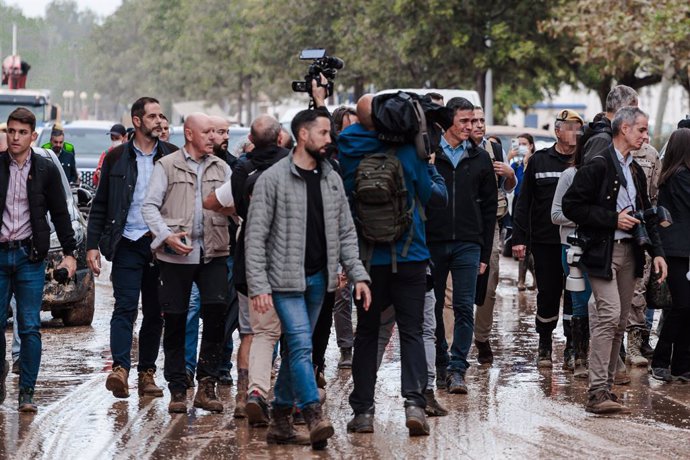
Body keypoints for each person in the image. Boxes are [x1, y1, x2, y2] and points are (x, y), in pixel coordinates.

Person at [246, 107, 371, 449]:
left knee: (297, 352)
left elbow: (346, 232)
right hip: (284, 282)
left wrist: (357, 274)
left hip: (321, 280)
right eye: (324, 133)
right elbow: (255, 237)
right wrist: (258, 286)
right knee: (301, 345)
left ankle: (281, 421)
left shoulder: (331, 178)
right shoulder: (273, 179)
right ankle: (314, 414)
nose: (330, 140)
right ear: (303, 135)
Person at [339, 94, 446, 436]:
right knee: (412, 332)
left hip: (368, 262)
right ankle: (414, 404)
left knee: (368, 334)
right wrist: (427, 164)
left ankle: (363, 413)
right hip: (411, 256)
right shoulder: (410, 151)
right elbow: (432, 197)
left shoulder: (350, 147)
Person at [562, 107, 667, 414]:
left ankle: (606, 388)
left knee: (620, 321)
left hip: (630, 254)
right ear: (624, 129)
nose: (646, 136)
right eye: (642, 130)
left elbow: (646, 213)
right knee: (608, 315)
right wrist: (611, 219)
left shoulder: (634, 169)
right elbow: (571, 206)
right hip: (602, 252)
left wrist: (658, 252)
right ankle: (596, 392)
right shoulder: (598, 164)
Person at [87, 98, 176, 400]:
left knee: (155, 311)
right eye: (152, 116)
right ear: (137, 121)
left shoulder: (172, 156)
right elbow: (100, 205)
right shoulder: (116, 158)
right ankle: (120, 369)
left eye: (161, 116)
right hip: (127, 242)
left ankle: (147, 373)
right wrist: (91, 246)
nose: (158, 121)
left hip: (160, 246)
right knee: (125, 307)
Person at [141, 113, 230, 414]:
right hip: (176, 255)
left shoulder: (222, 167)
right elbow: (149, 206)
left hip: (214, 252)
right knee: (176, 320)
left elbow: (235, 207)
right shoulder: (166, 165)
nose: (213, 138)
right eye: (206, 133)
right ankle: (178, 387)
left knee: (217, 317)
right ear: (189, 134)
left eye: (214, 133)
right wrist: (165, 236)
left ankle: (207, 384)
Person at [0, 108, 77, 412]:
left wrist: (70, 254)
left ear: (33, 136)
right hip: (0, 253)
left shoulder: (45, 169)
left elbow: (60, 213)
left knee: (29, 325)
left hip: (30, 257)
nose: (15, 137)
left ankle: (27, 392)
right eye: (11, 131)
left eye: (22, 133)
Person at [425, 97, 496, 394]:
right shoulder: (430, 155)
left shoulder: (480, 158)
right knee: (436, 306)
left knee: (465, 306)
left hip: (469, 243)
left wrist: (484, 250)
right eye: (464, 121)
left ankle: (457, 368)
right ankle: (440, 360)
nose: (471, 127)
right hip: (434, 241)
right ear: (449, 122)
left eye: (474, 121)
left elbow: (490, 208)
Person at [227, 114, 288, 422]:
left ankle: (245, 396)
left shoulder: (242, 168)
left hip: (249, 259)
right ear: (280, 139)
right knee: (292, 333)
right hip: (288, 260)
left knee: (252, 332)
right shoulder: (291, 164)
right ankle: (287, 397)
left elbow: (239, 208)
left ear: (251, 139)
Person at [512, 110, 584, 369]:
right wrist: (519, 238)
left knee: (574, 295)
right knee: (549, 294)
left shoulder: (585, 162)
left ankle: (572, 346)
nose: (576, 133)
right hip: (546, 242)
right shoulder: (540, 161)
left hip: (577, 241)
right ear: (558, 131)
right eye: (571, 127)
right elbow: (524, 202)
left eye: (579, 128)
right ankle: (544, 344)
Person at [185, 114, 239, 388]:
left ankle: (221, 366)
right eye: (217, 131)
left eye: (225, 131)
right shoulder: (179, 164)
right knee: (192, 308)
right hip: (189, 249)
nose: (222, 137)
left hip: (224, 249)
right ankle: (186, 368)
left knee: (223, 311)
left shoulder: (234, 167)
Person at [470, 106, 516, 365]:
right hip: (463, 226)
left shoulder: (494, 150)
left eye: (481, 120)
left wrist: (510, 175)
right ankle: (454, 344)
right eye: (472, 120)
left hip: (491, 225)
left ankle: (482, 337)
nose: (477, 125)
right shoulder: (457, 150)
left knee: (489, 284)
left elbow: (506, 186)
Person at [551, 130, 593, 379]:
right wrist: (585, 215)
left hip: (603, 246)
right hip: (572, 247)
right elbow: (555, 215)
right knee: (579, 302)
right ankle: (579, 356)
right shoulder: (569, 175)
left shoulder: (610, 175)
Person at [649, 128, 690, 382]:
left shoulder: (676, 175)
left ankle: (681, 364)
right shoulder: (679, 177)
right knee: (681, 307)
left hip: (681, 250)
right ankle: (661, 360)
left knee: (687, 308)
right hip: (677, 251)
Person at [510, 134, 537, 291]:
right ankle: (521, 280)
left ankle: (534, 278)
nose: (520, 146)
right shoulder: (516, 165)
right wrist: (508, 158)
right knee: (521, 246)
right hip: (518, 207)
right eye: (518, 143)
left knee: (531, 247)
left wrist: (527, 162)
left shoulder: (535, 162)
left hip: (533, 210)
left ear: (531, 146)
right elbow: (510, 184)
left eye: (524, 144)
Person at [93, 123, 128, 188]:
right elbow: (95, 180)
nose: (114, 141)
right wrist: (98, 175)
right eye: (112, 138)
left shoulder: (130, 153)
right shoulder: (106, 154)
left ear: (125, 137)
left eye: (117, 138)